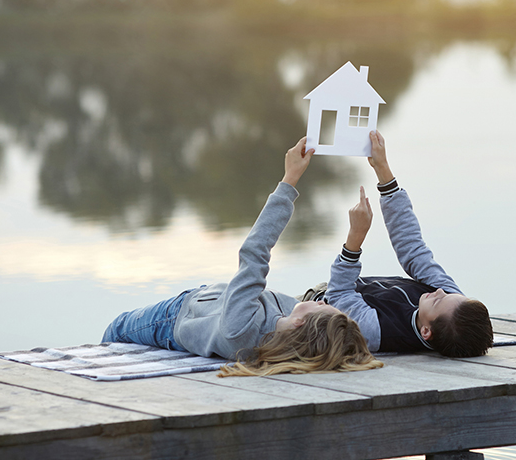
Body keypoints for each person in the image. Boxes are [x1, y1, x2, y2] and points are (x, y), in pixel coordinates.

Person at [102, 137, 383, 377]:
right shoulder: (290, 333)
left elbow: (254, 252)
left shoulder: (243, 330)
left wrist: (289, 181)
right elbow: (337, 339)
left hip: (171, 319)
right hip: (205, 303)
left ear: (301, 324)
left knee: (115, 330)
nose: (322, 300)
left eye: (323, 307)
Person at [323, 130, 494, 358]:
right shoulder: (452, 306)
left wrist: (356, 237)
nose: (439, 291)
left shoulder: (377, 332)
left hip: (314, 304)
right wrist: (382, 169)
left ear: (426, 331)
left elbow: (339, 294)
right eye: (447, 294)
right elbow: (414, 251)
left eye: (438, 300)